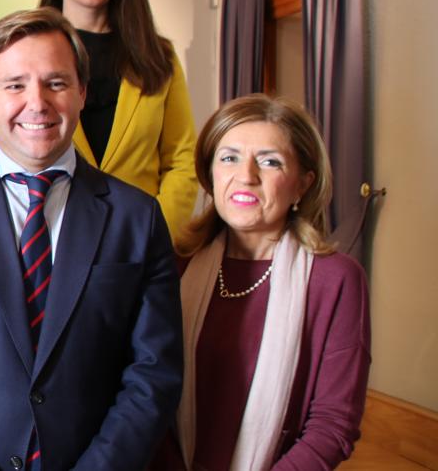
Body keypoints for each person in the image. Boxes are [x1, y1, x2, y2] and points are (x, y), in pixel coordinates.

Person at [0, 8, 183, 470]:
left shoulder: (137, 218)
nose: (37, 102)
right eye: (15, 85)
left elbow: (154, 373)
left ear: (82, 93)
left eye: (56, 83)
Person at [152, 94, 370, 470]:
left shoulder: (336, 280)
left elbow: (333, 426)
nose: (246, 175)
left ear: (303, 184)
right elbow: (148, 395)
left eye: (270, 162)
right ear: (210, 174)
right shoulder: (174, 266)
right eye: (229, 157)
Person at [39, 0, 198, 239]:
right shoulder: (24, 51)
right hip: (47, 238)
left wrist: (155, 233)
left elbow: (182, 160)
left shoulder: (159, 56)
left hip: (137, 241)